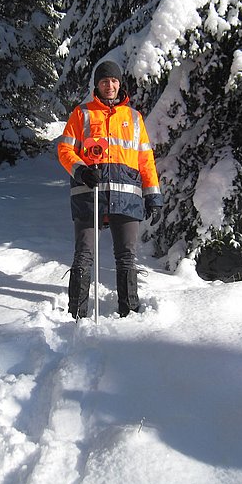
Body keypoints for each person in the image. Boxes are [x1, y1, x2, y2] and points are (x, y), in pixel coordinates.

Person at [57, 60, 163, 319]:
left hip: (127, 199)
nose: (110, 85)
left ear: (120, 83)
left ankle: (130, 312)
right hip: (88, 196)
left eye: (114, 81)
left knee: (126, 256)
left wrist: (153, 195)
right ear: (97, 85)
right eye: (105, 81)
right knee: (83, 255)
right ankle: (77, 314)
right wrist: (81, 170)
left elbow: (145, 160)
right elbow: (64, 149)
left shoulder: (134, 118)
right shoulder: (82, 114)